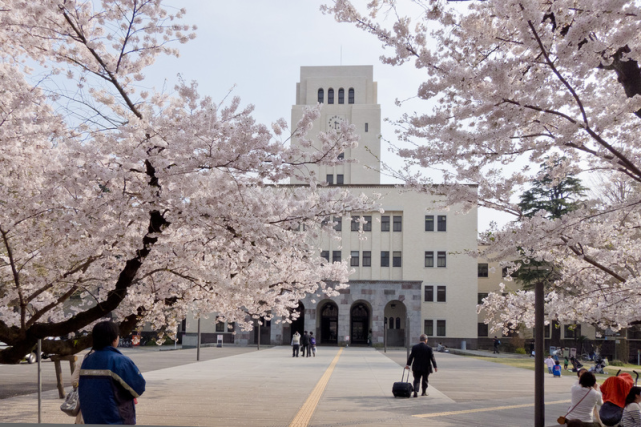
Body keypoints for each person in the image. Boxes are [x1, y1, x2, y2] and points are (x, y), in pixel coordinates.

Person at [78, 321, 146, 425]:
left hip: (91, 420)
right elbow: (138, 388)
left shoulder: (87, 360)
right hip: (116, 420)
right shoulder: (120, 361)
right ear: (115, 339)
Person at [404, 334, 437, 398]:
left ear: (420, 340)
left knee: (416, 379)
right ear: (426, 340)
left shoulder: (415, 347)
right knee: (425, 380)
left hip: (416, 367)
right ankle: (424, 392)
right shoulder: (429, 348)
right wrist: (435, 366)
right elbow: (432, 358)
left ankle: (416, 391)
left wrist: (408, 365)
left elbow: (411, 357)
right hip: (426, 367)